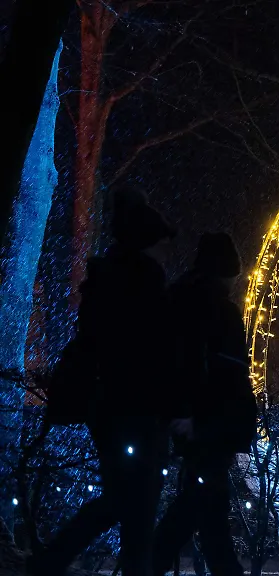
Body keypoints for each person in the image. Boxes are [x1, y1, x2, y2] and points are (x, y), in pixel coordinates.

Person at [30, 190, 177, 576]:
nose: (167, 252)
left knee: (126, 501)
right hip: (133, 411)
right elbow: (150, 352)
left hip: (112, 408)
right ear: (146, 244)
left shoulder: (110, 279)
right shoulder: (141, 283)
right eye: (163, 244)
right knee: (133, 503)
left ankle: (52, 561)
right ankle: (54, 562)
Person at [151, 232, 256, 576]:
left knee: (206, 510)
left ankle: (151, 565)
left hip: (202, 420)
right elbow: (217, 372)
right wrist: (197, 417)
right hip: (210, 423)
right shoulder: (214, 309)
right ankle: (150, 565)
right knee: (200, 506)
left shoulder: (183, 299)